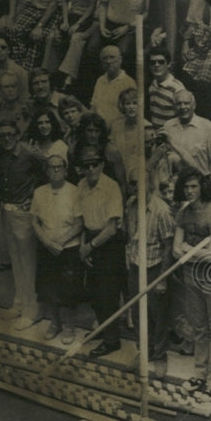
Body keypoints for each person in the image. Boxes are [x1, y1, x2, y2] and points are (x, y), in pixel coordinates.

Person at [172, 167, 211, 394]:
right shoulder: (183, 213)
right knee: (199, 328)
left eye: (193, 186)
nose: (189, 190)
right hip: (191, 275)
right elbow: (175, 251)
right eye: (186, 187)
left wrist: (187, 248)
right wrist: (186, 250)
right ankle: (199, 374)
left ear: (202, 187)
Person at [0, 120, 48, 328]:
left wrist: (35, 198)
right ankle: (20, 303)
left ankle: (33, 310)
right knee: (15, 261)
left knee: (28, 263)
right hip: (7, 211)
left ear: (17, 135)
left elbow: (50, 168)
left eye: (10, 134)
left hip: (24, 214)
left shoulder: (29, 153)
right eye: (2, 135)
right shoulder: (0, 155)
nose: (7, 139)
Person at [76, 145, 125, 358]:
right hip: (89, 240)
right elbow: (81, 221)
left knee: (108, 294)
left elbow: (112, 227)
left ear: (102, 165)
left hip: (108, 244)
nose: (91, 169)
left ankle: (112, 341)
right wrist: (82, 247)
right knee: (94, 293)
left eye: (95, 164)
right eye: (86, 166)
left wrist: (90, 246)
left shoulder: (111, 187)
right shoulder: (80, 186)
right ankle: (104, 330)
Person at [124, 172, 175, 377]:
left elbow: (168, 245)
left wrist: (162, 279)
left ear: (150, 186)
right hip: (136, 265)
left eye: (141, 184)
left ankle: (160, 356)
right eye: (133, 184)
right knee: (137, 312)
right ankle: (143, 352)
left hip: (155, 267)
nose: (137, 189)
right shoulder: (130, 205)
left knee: (158, 314)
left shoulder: (161, 210)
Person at [30, 153, 83, 344]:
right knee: (48, 289)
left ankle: (69, 327)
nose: (55, 170)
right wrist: (46, 241)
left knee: (68, 291)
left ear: (66, 170)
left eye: (59, 167)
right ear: (46, 170)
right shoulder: (39, 192)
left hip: (68, 248)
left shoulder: (75, 191)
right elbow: (34, 220)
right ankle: (55, 323)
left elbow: (79, 224)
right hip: (46, 248)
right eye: (51, 167)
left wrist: (59, 242)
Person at [160, 90, 211, 201]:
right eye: (179, 103)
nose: (183, 107)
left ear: (194, 105)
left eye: (186, 103)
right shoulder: (168, 127)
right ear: (174, 106)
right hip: (176, 189)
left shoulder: (207, 127)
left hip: (201, 186)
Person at [52, 0, 103, 88]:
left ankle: (68, 77)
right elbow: (64, 1)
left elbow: (92, 6)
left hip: (86, 18)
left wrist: (78, 24)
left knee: (75, 37)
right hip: (71, 15)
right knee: (53, 37)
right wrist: (65, 21)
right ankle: (50, 72)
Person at [90, 45, 137, 129]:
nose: (108, 61)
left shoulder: (128, 82)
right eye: (105, 58)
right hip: (99, 131)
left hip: (119, 131)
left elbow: (132, 113)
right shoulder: (100, 81)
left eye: (112, 57)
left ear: (120, 60)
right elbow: (93, 107)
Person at [146, 46, 186, 130]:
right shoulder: (153, 85)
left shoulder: (177, 88)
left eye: (161, 62)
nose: (156, 65)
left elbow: (184, 118)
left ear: (169, 64)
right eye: (152, 62)